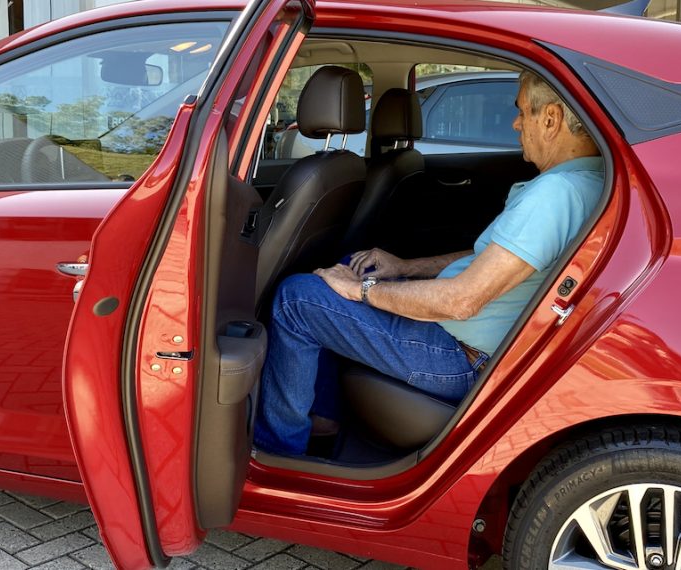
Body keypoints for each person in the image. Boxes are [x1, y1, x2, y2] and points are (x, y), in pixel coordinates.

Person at [253, 71, 606, 456]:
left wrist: (361, 291)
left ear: (551, 119)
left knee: (296, 299)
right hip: (470, 339)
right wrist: (404, 267)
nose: (515, 123)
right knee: (353, 265)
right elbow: (492, 260)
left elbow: (462, 301)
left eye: (522, 112)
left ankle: (277, 453)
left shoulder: (555, 194)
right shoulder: (588, 181)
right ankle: (324, 415)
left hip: (459, 354)